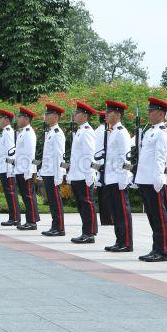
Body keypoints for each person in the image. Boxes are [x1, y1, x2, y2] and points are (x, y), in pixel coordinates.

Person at [136, 97, 167, 262]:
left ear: (160, 113)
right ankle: (155, 248)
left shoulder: (162, 133)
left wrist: (158, 178)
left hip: (154, 180)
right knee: (152, 216)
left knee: (159, 216)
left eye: (151, 111)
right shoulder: (149, 131)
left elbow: (160, 157)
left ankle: (163, 250)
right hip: (145, 179)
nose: (149, 114)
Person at [102, 100, 134, 252]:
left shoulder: (121, 132)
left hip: (118, 178)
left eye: (109, 112)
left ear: (118, 114)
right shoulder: (113, 131)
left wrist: (124, 177)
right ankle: (119, 240)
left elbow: (125, 157)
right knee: (116, 212)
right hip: (111, 177)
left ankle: (126, 242)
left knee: (122, 211)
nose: (106, 115)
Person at [66, 102, 98, 244]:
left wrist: (89, 175)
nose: (74, 115)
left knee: (87, 204)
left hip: (83, 175)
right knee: (81, 205)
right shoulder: (80, 130)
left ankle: (89, 233)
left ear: (85, 116)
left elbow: (89, 155)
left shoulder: (87, 132)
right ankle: (85, 231)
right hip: (77, 174)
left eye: (77, 113)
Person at [40, 103, 66, 237]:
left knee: (56, 201)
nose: (45, 116)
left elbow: (59, 156)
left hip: (53, 173)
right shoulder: (51, 132)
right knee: (51, 201)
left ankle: (59, 227)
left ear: (55, 116)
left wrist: (59, 175)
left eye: (47, 114)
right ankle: (55, 225)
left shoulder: (57, 133)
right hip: (48, 172)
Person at [13, 106, 39, 230]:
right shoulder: (23, 132)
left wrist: (28, 171)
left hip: (25, 170)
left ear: (26, 119)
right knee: (25, 196)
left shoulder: (29, 133)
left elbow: (30, 154)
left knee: (28, 196)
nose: (18, 119)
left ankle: (32, 222)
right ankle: (29, 220)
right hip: (20, 169)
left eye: (20, 117)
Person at [0, 109, 21, 226]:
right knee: (8, 193)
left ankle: (15, 218)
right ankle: (13, 216)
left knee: (11, 193)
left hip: (8, 169)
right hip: (3, 168)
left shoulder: (9, 132)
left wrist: (10, 170)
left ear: (6, 120)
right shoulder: (5, 132)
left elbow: (12, 152)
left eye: (0, 118)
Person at [95, 111, 114, 226]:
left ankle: (104, 218)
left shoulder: (96, 131)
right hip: (105, 165)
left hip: (97, 164)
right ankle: (109, 218)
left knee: (102, 194)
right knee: (108, 194)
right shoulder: (107, 132)